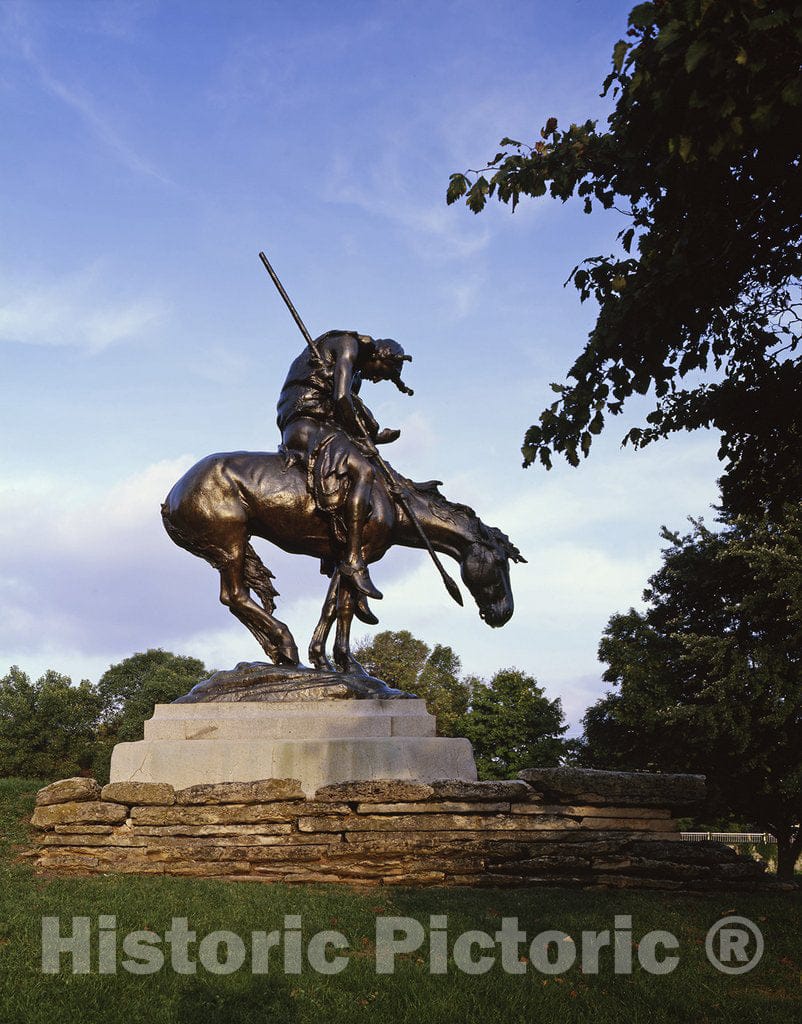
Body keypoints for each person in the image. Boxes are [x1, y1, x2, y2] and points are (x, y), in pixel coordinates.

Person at [277, 330, 413, 600]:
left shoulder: (356, 372)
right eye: (382, 373)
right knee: (363, 470)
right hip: (304, 422)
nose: (376, 379)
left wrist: (372, 436)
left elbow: (346, 408)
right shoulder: (347, 346)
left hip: (320, 424)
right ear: (380, 355)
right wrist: (366, 437)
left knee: (357, 467)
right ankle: (352, 560)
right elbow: (341, 399)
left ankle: (336, 546)